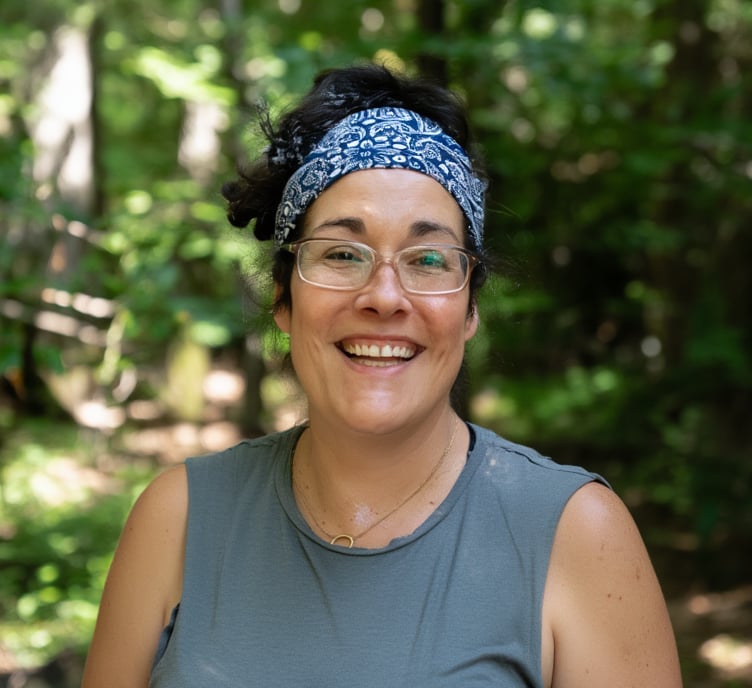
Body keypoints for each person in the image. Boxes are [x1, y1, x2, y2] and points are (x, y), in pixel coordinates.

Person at [82, 63, 682, 687]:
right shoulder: (178, 519)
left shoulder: (576, 535)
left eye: (428, 259)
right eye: (343, 254)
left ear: (470, 309)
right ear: (284, 300)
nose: (385, 296)